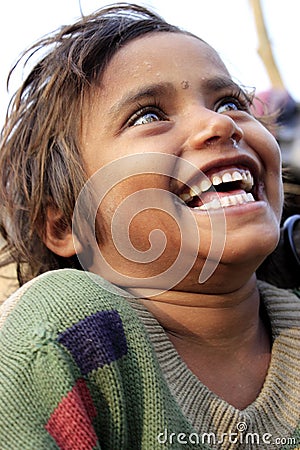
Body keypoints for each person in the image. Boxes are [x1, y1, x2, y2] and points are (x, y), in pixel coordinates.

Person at [0, 3, 299, 449]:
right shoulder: (64, 329)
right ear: (65, 224)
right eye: (148, 116)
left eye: (231, 103)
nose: (218, 123)